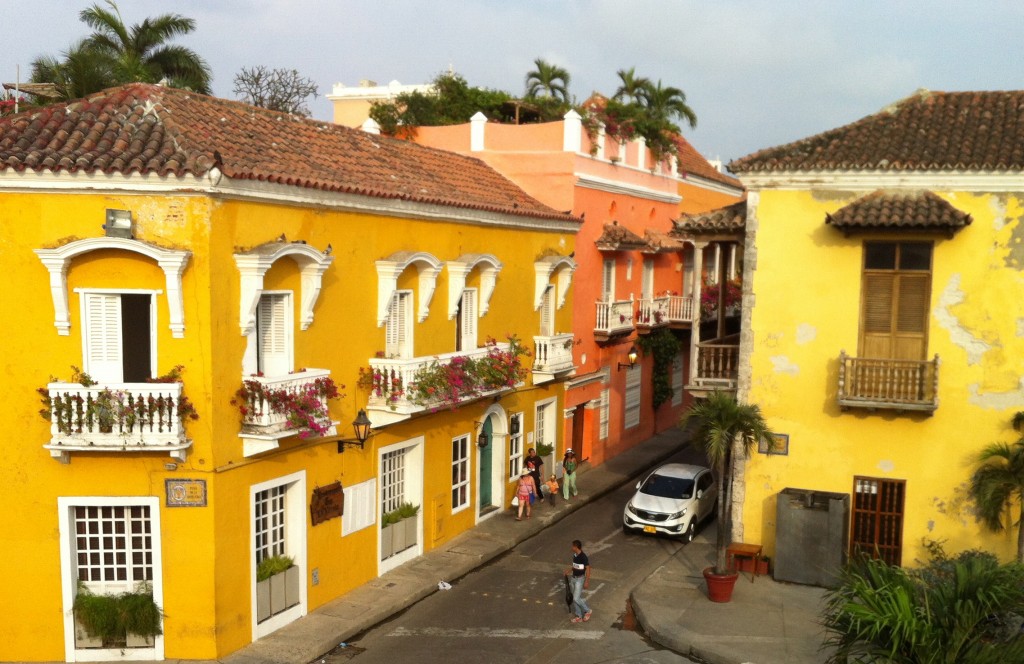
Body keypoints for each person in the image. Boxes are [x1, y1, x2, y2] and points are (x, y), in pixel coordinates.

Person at [564, 539, 592, 623]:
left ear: (576, 547)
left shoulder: (583, 557)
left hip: (580, 579)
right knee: (574, 598)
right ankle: (579, 616)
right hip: (573, 578)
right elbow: (575, 566)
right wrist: (568, 571)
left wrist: (587, 581)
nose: (572, 547)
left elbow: (588, 569)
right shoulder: (575, 555)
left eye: (573, 546)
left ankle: (587, 610)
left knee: (576, 598)